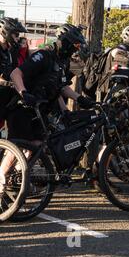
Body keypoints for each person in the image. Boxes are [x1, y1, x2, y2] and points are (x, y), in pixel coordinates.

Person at [0, 24, 95, 198]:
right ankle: (1, 184)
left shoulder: (61, 62)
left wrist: (78, 100)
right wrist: (23, 93)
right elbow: (16, 74)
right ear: (65, 42)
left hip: (39, 112)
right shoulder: (43, 56)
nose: (76, 49)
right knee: (17, 149)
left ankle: (15, 182)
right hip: (22, 108)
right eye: (75, 45)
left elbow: (60, 88)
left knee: (36, 149)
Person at [0, 18, 27, 131]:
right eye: (16, 35)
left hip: (5, 97)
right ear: (6, 32)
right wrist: (10, 83)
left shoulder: (9, 51)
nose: (18, 38)